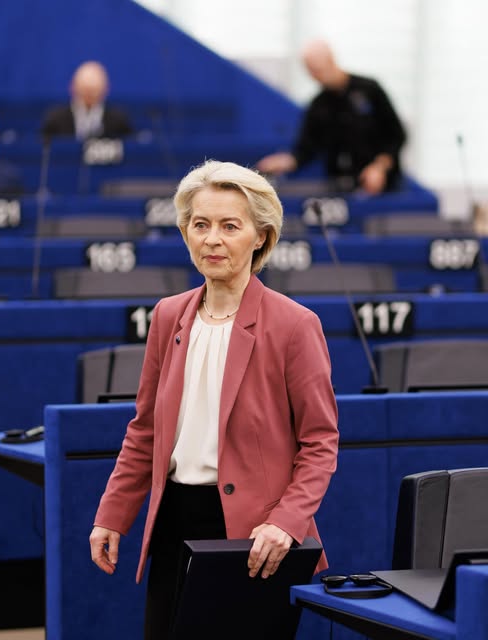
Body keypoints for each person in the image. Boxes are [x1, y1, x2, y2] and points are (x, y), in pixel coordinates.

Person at [89, 160, 339, 639]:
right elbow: (145, 430)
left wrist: (285, 523)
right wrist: (112, 514)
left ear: (260, 236)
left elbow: (320, 443)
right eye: (200, 225)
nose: (212, 240)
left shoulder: (294, 324)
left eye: (230, 226)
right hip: (174, 521)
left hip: (256, 536)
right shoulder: (168, 315)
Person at [256, 39, 407, 195]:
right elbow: (306, 149)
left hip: (382, 188)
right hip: (341, 185)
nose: (317, 76)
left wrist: (379, 167)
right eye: (312, 71)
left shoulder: (369, 90)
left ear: (331, 60)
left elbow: (397, 135)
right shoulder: (318, 105)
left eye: (319, 69)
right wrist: (286, 161)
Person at [41, 60, 134, 140]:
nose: (89, 96)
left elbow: (131, 147)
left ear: (106, 89)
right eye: (84, 90)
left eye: (94, 91)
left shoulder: (118, 121)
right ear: (72, 88)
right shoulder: (55, 119)